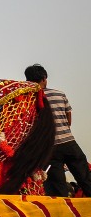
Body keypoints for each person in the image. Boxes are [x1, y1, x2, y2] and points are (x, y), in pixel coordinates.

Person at [25, 64, 91, 197]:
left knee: (57, 188)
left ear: (28, 81)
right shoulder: (60, 94)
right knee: (86, 179)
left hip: (48, 149)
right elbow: (68, 120)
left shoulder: (28, 99)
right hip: (69, 143)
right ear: (44, 78)